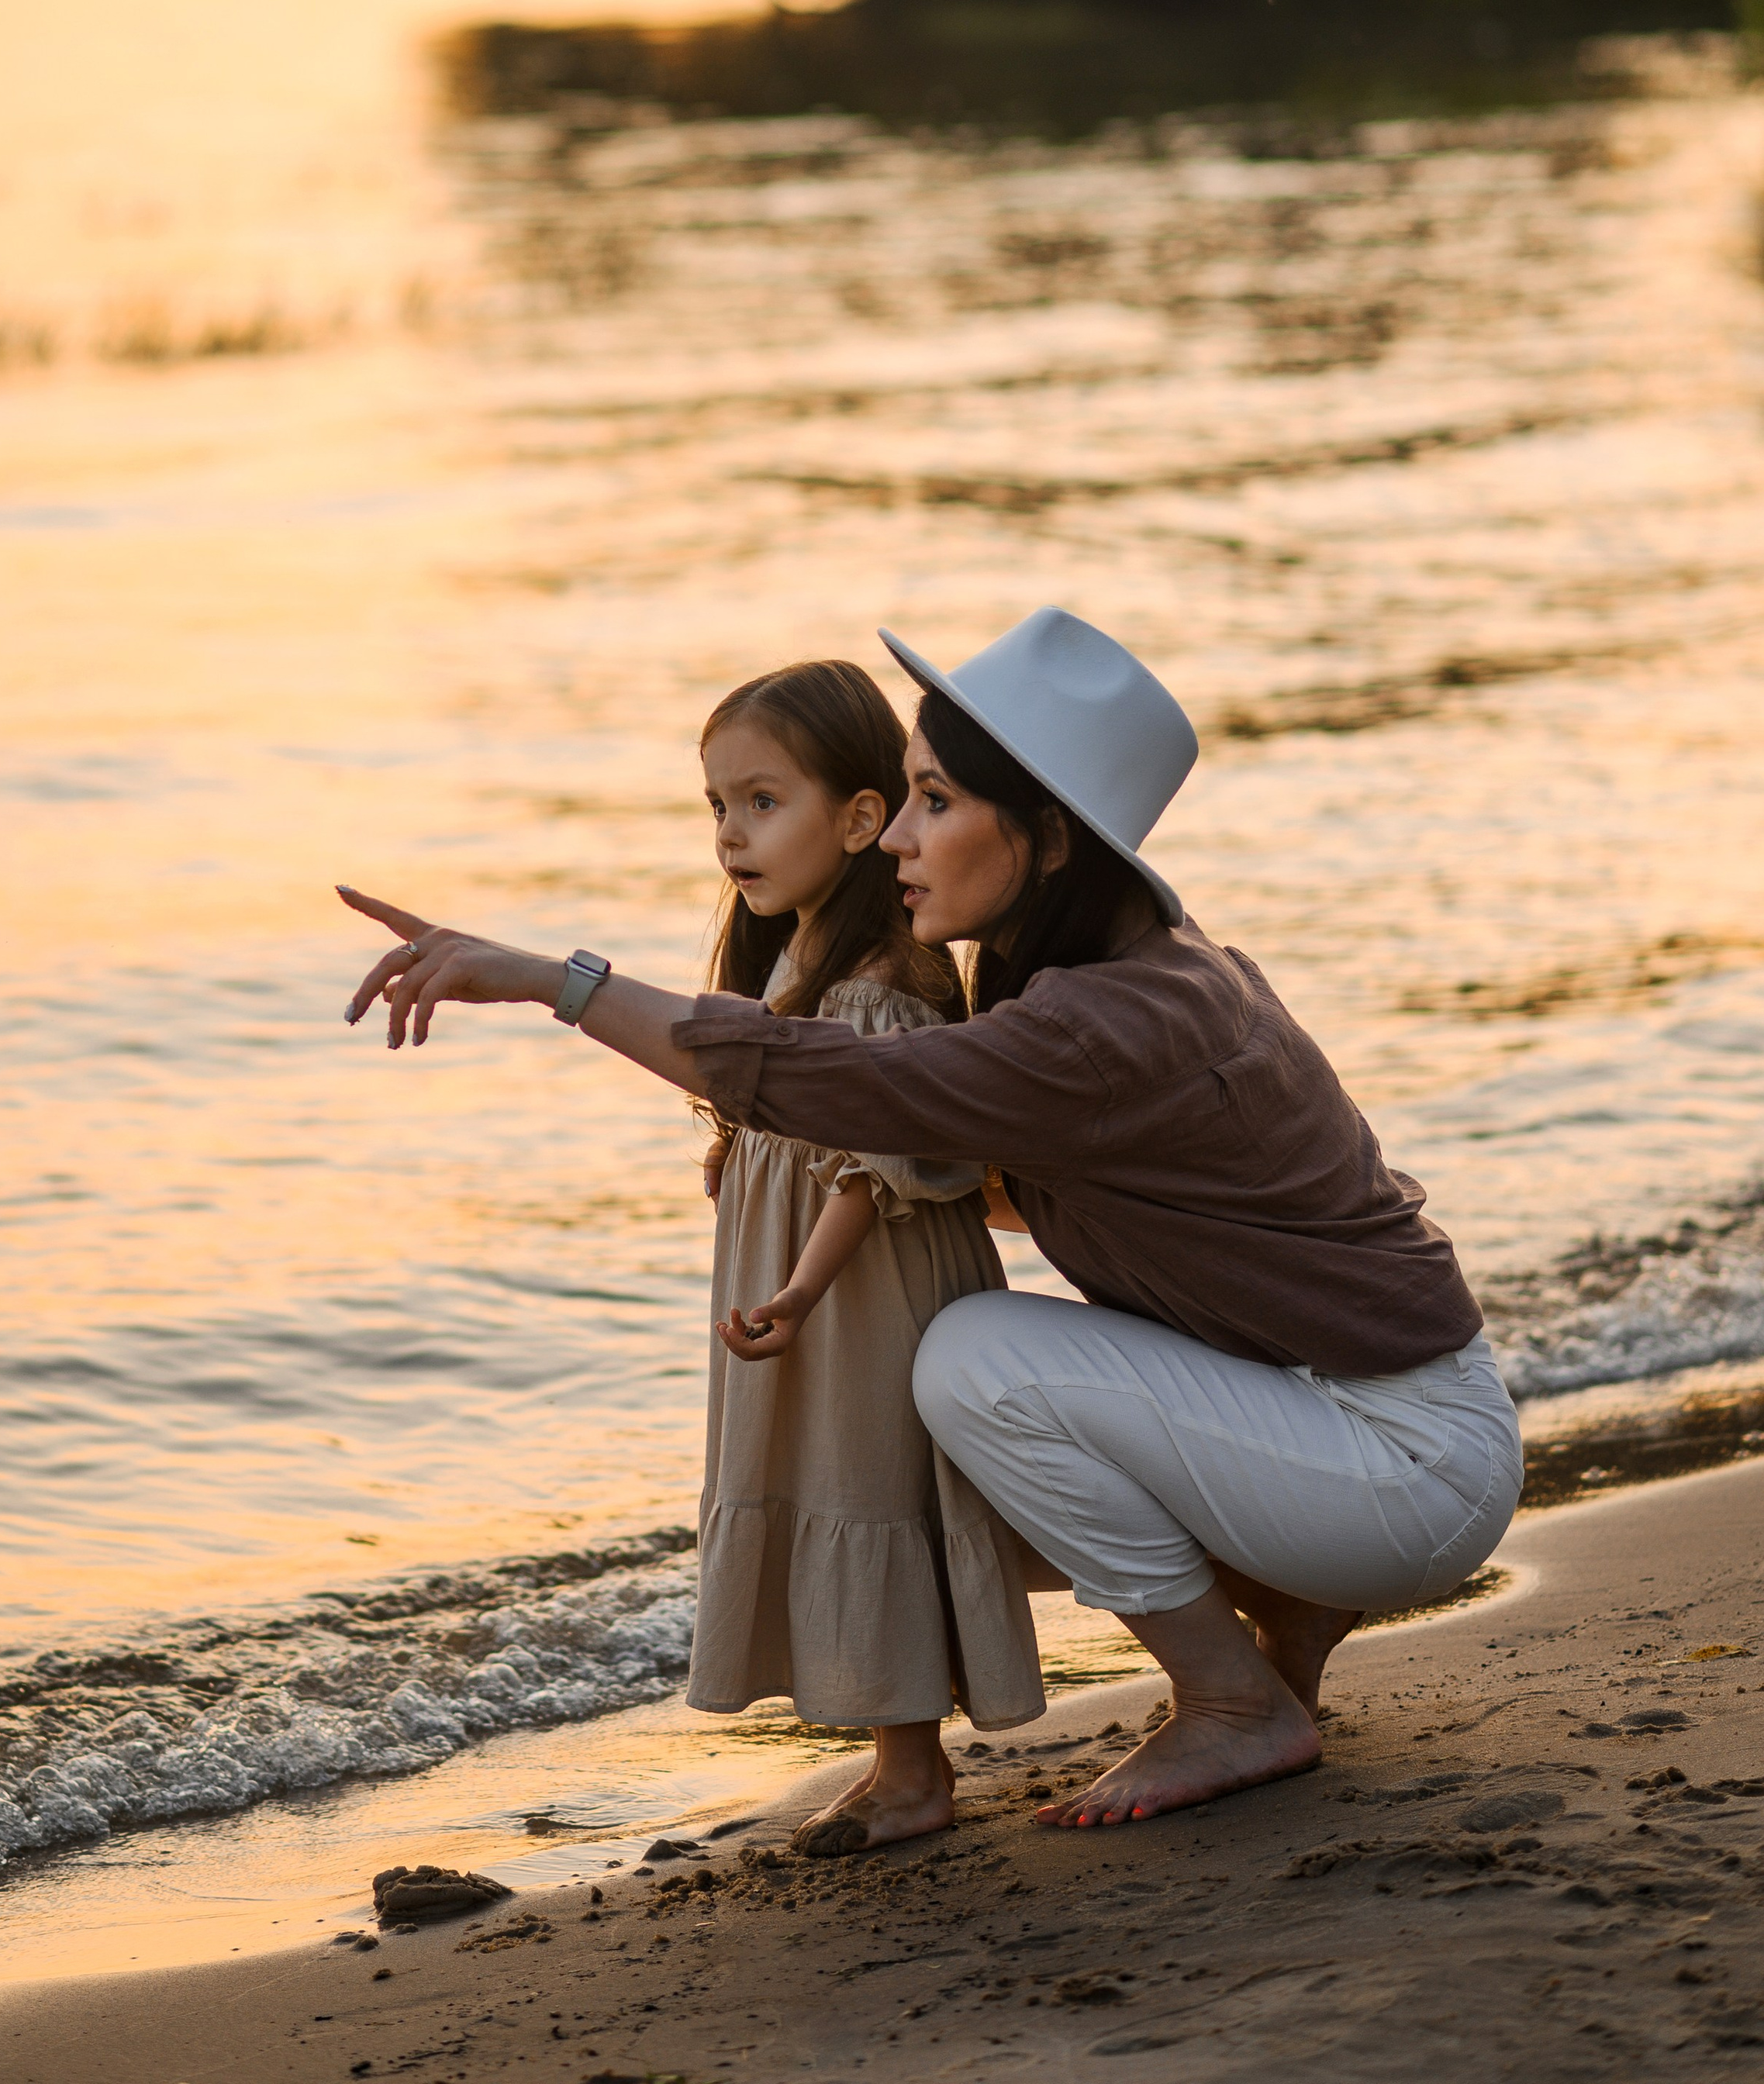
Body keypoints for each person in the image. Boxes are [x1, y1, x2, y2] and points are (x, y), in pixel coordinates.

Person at [340, 605, 1522, 1844]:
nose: (898, 837)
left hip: (1399, 1466)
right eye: (904, 797)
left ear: (1052, 837)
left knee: (970, 1363)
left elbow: (840, 1085)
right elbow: (1016, 1176)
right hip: (1361, 1430)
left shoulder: (1102, 1022)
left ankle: (1236, 1704)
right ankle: (1287, 1608)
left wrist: (553, 982)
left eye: (937, 803)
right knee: (913, 1444)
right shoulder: (1107, 981)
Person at [684, 658, 1049, 1851]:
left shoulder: (884, 983)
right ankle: (903, 1760)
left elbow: (871, 1167)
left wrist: (793, 1287)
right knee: (839, 1477)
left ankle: (911, 1772)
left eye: (762, 802)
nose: (734, 834)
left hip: (865, 1287)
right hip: (814, 1281)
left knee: (873, 1484)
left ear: (856, 818)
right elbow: (800, 1132)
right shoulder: (788, 958)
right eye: (719, 807)